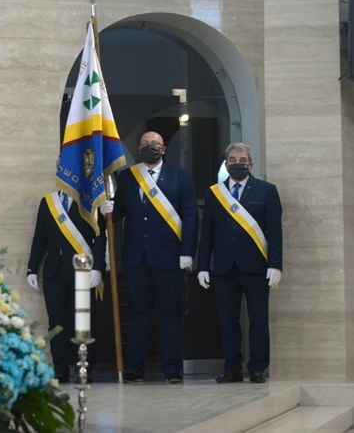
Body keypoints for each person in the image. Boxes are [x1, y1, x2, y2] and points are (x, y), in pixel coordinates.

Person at [101, 131, 198, 384]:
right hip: (136, 259)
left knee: (169, 313)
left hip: (170, 258)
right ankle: (135, 368)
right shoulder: (128, 176)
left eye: (154, 144)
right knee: (137, 314)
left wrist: (188, 252)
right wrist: (108, 209)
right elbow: (120, 212)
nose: (149, 148)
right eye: (144, 144)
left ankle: (172, 369)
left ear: (163, 149)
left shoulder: (180, 176)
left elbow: (190, 216)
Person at [197, 142, 282, 384]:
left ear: (251, 164)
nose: (237, 163)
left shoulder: (266, 191)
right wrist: (203, 266)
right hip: (224, 269)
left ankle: (257, 368)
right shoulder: (215, 194)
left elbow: (275, 232)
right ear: (226, 164)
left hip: (257, 269)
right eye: (232, 159)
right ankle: (232, 368)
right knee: (227, 323)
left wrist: (275, 265)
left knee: (258, 322)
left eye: (242, 159)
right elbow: (208, 235)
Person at [27, 185, 106, 383]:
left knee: (83, 323)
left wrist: (97, 267)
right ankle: (60, 368)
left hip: (82, 270)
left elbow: (99, 237)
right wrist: (31, 268)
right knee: (57, 323)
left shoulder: (89, 202)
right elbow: (40, 237)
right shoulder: (48, 203)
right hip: (54, 272)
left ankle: (84, 367)